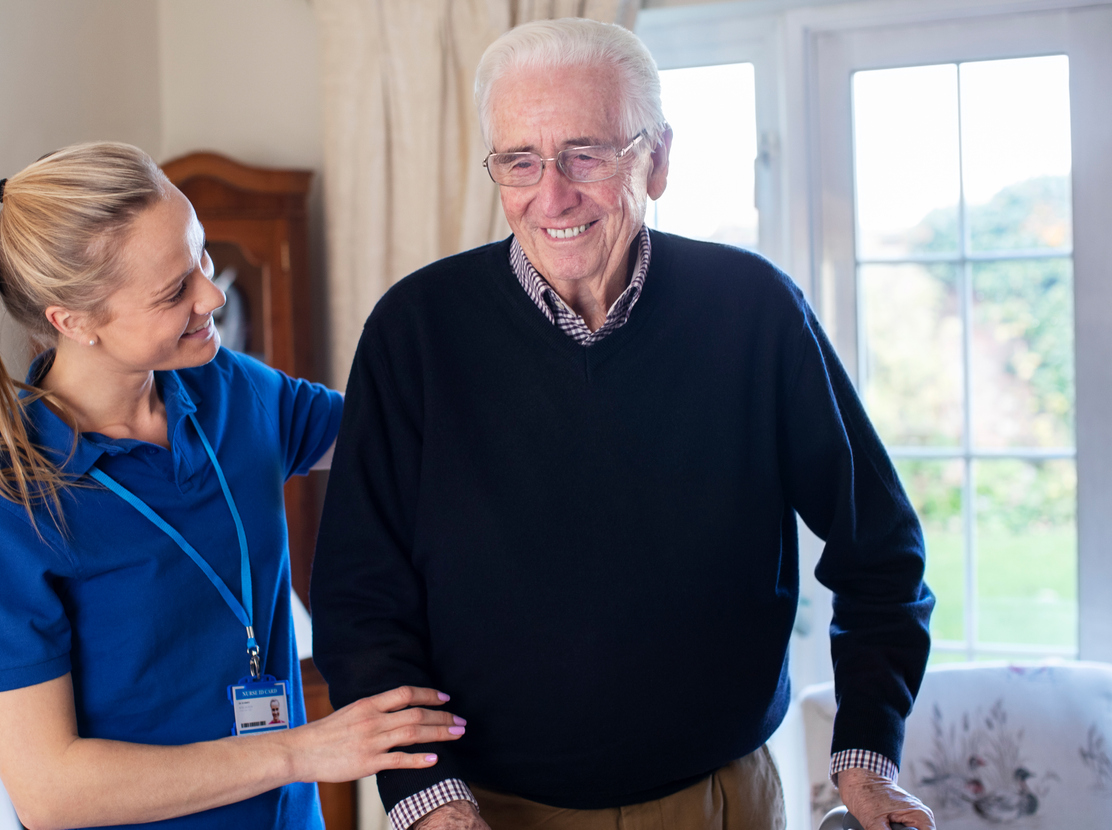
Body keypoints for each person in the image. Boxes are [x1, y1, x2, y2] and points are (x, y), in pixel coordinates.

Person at [310, 19, 936, 830]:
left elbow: (880, 552)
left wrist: (866, 753)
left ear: (658, 159)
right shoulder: (413, 331)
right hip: (485, 812)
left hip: (721, 803)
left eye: (586, 155)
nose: (553, 195)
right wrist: (429, 801)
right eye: (520, 161)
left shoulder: (755, 311)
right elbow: (361, 602)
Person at [0, 142, 466, 830]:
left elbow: (401, 436)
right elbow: (50, 792)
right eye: (173, 290)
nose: (212, 295)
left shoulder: (229, 390)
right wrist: (298, 752)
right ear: (74, 320)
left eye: (202, 256)